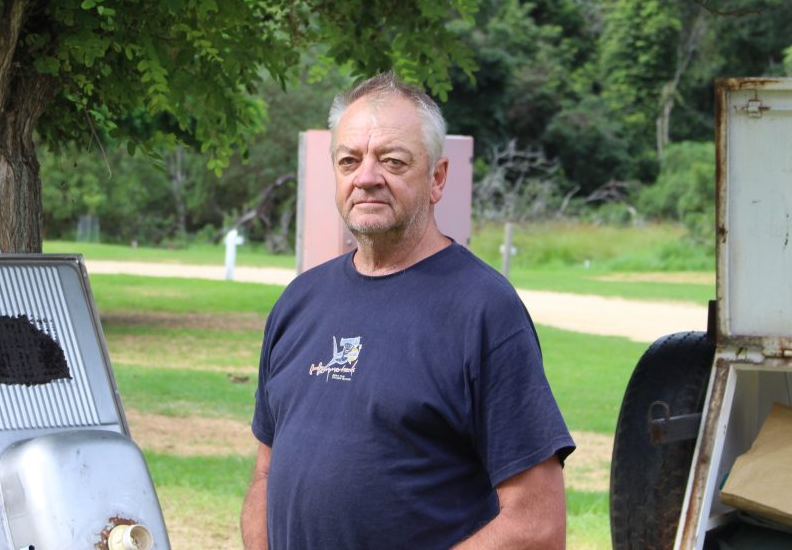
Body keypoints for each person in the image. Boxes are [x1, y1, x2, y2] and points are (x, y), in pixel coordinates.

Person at [240, 71, 575, 549]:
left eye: (393, 161)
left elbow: (537, 526)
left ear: (437, 178)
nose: (367, 177)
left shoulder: (483, 311)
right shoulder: (300, 301)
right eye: (349, 160)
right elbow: (265, 475)